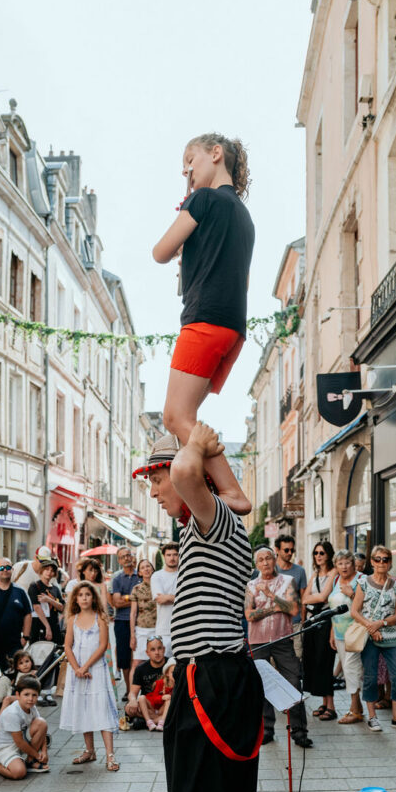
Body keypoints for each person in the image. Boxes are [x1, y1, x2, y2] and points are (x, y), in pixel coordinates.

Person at [134, 425, 265, 792]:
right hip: (199, 676)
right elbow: (239, 496)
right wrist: (206, 448)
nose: (157, 491)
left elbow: (200, 480)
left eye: (157, 478)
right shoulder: (213, 520)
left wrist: (194, 434)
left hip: (214, 681)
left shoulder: (215, 522)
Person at [152, 133, 253, 515]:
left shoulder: (203, 199)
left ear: (216, 154)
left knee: (175, 416)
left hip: (204, 320)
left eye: (189, 159)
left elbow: (160, 251)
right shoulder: (242, 215)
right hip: (232, 327)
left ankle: (230, 490)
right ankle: (216, 484)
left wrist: (186, 200)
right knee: (186, 417)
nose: (186, 169)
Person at [245, 546, 309, 748]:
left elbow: (293, 609)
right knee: (262, 686)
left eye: (268, 558)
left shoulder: (287, 582)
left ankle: (299, 731)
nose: (265, 563)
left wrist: (271, 596)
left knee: (293, 682)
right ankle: (267, 730)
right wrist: (276, 608)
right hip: (258, 640)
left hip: (283, 639)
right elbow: (249, 615)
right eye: (261, 560)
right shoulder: (251, 585)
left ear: (275, 560)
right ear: (256, 564)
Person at [350, 545, 396, 732]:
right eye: (377, 559)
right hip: (369, 639)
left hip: (391, 638)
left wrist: (380, 624)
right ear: (371, 562)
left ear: (390, 563)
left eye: (385, 559)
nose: (381, 563)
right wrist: (371, 628)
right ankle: (372, 717)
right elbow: (355, 611)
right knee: (370, 677)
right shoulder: (363, 583)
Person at [60, 581, 119, 770]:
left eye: (87, 594)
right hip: (77, 672)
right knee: (83, 707)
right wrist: (77, 668)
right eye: (80, 595)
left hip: (96, 670)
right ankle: (89, 750)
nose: (84, 598)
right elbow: (67, 646)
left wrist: (85, 666)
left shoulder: (100, 618)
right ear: (75, 599)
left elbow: (102, 646)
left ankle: (110, 755)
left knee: (101, 708)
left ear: (93, 597)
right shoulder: (72, 620)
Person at [327, 549, 364, 725]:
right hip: (339, 632)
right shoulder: (336, 580)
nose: (344, 566)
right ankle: (358, 708)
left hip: (356, 632)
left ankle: (354, 710)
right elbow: (333, 609)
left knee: (350, 670)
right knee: (349, 670)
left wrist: (352, 594)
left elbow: (368, 605)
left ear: (353, 563)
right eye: (340, 563)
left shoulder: (361, 579)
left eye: (347, 562)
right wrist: (332, 632)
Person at [301, 541, 337, 720]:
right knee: (314, 662)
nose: (318, 556)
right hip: (312, 622)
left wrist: (311, 598)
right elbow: (303, 599)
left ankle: (331, 705)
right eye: (316, 553)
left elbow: (324, 596)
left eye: (322, 553)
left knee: (325, 662)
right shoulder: (315, 574)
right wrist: (313, 599)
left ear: (329, 554)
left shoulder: (334, 572)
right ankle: (324, 703)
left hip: (325, 621)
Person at [0, 674, 49, 779]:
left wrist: (44, 752)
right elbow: (19, 742)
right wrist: (37, 755)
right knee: (19, 773)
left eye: (34, 695)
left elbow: (42, 731)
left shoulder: (32, 707)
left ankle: (30, 761)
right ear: (18, 695)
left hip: (22, 742)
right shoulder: (12, 713)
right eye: (26, 694)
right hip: (6, 747)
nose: (30, 699)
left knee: (42, 723)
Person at [0, 557, 33, 673]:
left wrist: (25, 637)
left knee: (13, 675)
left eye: (8, 567)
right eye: (1, 568)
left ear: (12, 569)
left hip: (14, 642)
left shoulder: (20, 591)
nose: (5, 570)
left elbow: (28, 614)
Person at [125, 635, 175, 731]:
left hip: (165, 705)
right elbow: (133, 692)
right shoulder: (141, 668)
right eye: (152, 650)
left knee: (174, 705)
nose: (157, 653)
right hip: (149, 706)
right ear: (147, 653)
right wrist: (132, 700)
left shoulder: (170, 664)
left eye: (159, 648)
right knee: (129, 709)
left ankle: (147, 721)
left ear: (164, 649)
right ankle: (159, 721)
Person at [110, 547, 140, 696]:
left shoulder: (140, 576)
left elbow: (148, 598)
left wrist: (125, 598)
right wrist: (136, 599)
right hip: (122, 621)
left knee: (139, 658)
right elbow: (116, 603)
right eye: (123, 557)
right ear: (119, 561)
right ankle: (129, 691)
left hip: (140, 621)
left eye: (128, 555)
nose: (127, 558)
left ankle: (140, 692)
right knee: (125, 659)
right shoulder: (117, 579)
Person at [274, 535, 307, 656]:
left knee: (297, 657)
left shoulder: (300, 571)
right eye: (286, 550)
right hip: (275, 624)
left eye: (292, 550)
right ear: (277, 550)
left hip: (295, 624)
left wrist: (303, 622)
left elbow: (303, 599)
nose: (290, 553)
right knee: (275, 662)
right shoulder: (269, 570)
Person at [149, 542, 178, 658]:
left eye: (175, 554)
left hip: (182, 628)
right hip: (164, 629)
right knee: (164, 667)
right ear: (164, 556)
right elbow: (160, 599)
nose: (172, 558)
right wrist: (179, 597)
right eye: (169, 555)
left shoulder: (184, 575)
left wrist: (168, 597)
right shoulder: (157, 576)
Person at [129, 558, 156, 675]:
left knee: (158, 662)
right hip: (142, 629)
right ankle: (132, 693)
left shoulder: (160, 586)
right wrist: (132, 635)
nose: (146, 569)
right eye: (143, 567)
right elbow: (133, 613)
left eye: (148, 566)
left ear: (153, 569)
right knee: (136, 662)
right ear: (139, 572)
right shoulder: (136, 589)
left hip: (158, 628)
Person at [28, 560, 64, 644]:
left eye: (52, 571)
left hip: (54, 626)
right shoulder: (34, 586)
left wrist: (49, 600)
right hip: (38, 626)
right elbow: (36, 607)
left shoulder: (55, 589)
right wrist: (47, 627)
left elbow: (62, 607)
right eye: (47, 569)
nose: (49, 572)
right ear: (42, 570)